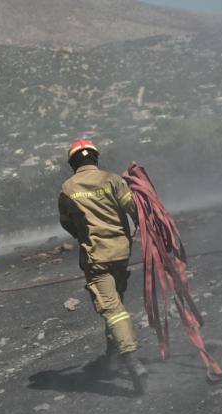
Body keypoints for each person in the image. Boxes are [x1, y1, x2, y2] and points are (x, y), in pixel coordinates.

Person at [57, 139, 148, 393]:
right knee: (116, 300)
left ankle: (130, 358)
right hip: (121, 253)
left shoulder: (67, 188)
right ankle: (112, 356)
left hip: (96, 258)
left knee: (111, 308)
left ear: (73, 163)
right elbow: (135, 208)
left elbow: (67, 223)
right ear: (95, 158)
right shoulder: (112, 180)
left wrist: (84, 233)